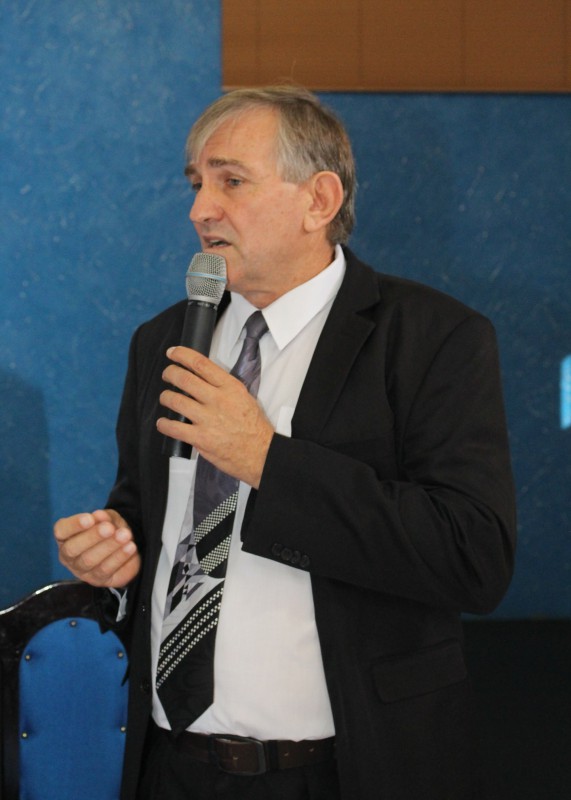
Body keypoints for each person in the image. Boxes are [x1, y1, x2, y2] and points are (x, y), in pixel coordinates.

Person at [54, 86, 516, 800]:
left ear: (318, 200)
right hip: (169, 765)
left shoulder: (433, 338)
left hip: (344, 771)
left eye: (231, 181)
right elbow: (146, 510)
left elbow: (471, 557)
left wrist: (267, 460)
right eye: (196, 183)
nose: (200, 209)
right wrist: (114, 548)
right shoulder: (164, 339)